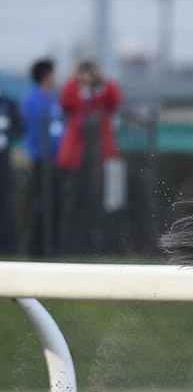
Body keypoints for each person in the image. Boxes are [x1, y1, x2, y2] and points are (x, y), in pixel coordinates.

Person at [57, 60, 121, 255]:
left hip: (98, 159)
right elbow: (65, 99)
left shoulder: (101, 95)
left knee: (99, 204)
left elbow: (114, 99)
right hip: (76, 160)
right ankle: (68, 247)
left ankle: (97, 246)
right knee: (73, 203)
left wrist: (100, 79)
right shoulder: (74, 93)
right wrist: (77, 80)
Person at [19, 59, 64, 257]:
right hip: (40, 160)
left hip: (55, 161)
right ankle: (35, 249)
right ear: (46, 76)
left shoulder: (52, 99)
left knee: (54, 203)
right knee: (41, 204)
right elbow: (31, 133)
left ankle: (50, 247)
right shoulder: (32, 100)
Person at [0, 84, 24, 255]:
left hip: (3, 158)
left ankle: (10, 246)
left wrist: (8, 140)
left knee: (6, 200)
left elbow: (19, 128)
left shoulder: (8, 104)